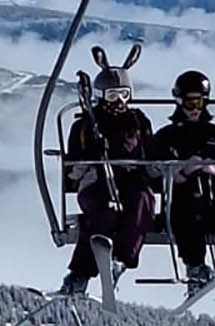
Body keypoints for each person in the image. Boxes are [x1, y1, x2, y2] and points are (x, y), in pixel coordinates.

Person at [61, 44, 155, 297]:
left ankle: (121, 260)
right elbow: (72, 166)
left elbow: (151, 153)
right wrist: (85, 167)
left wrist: (149, 170)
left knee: (142, 202)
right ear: (101, 96)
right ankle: (79, 275)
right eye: (112, 96)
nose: (119, 102)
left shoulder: (138, 122)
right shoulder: (84, 127)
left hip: (131, 179)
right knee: (104, 213)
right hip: (96, 181)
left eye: (124, 94)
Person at [151, 69, 215, 291]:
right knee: (190, 207)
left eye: (200, 104)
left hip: (214, 203)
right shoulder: (167, 136)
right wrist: (183, 172)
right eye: (190, 104)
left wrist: (213, 169)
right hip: (182, 205)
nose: (195, 110)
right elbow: (153, 174)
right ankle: (195, 266)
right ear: (180, 102)